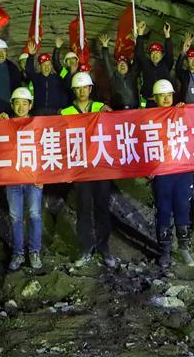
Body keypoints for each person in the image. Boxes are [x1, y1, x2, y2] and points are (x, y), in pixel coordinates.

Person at [61, 72, 115, 268]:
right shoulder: (65, 113)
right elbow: (61, 142)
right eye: (78, 88)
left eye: (85, 87)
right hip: (80, 168)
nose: (82, 91)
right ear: (74, 90)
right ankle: (85, 247)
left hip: (101, 166)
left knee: (102, 207)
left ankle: (104, 247)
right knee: (83, 209)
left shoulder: (102, 108)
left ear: (90, 89)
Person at [149, 79, 194, 267]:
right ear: (155, 98)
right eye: (162, 95)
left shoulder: (181, 113)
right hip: (162, 171)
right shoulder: (148, 119)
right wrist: (147, 169)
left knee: (183, 207)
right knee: (164, 209)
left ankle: (184, 248)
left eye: (169, 94)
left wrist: (185, 112)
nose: (166, 98)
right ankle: (165, 251)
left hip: (182, 169)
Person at [0, 87, 44, 270]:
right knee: (15, 217)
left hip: (33, 178)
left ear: (30, 105)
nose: (21, 107)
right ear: (12, 105)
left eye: (25, 103)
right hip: (12, 178)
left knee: (34, 216)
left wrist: (43, 175)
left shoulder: (37, 125)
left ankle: (34, 252)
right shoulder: (5, 124)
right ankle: (17, 253)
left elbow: (45, 151)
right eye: (17, 103)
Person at [135, 21, 174, 107]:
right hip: (149, 102)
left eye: (157, 52)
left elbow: (170, 53)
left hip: (165, 102)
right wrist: (140, 34)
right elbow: (139, 53)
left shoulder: (166, 64)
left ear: (162, 54)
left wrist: (167, 35)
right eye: (152, 53)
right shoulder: (146, 65)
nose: (155, 55)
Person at [25, 42, 68, 115]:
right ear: (39, 66)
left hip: (55, 112)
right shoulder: (36, 78)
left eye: (49, 64)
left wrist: (63, 108)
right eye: (44, 65)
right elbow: (29, 71)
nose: (47, 67)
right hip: (39, 112)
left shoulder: (58, 78)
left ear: (51, 65)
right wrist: (31, 56)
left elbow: (64, 94)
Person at [99, 35, 141, 110]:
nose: (122, 65)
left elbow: (138, 58)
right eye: (120, 63)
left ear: (128, 67)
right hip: (117, 111)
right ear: (116, 67)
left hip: (134, 110)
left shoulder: (133, 75)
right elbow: (107, 63)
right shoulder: (113, 77)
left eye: (124, 63)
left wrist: (138, 42)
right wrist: (105, 47)